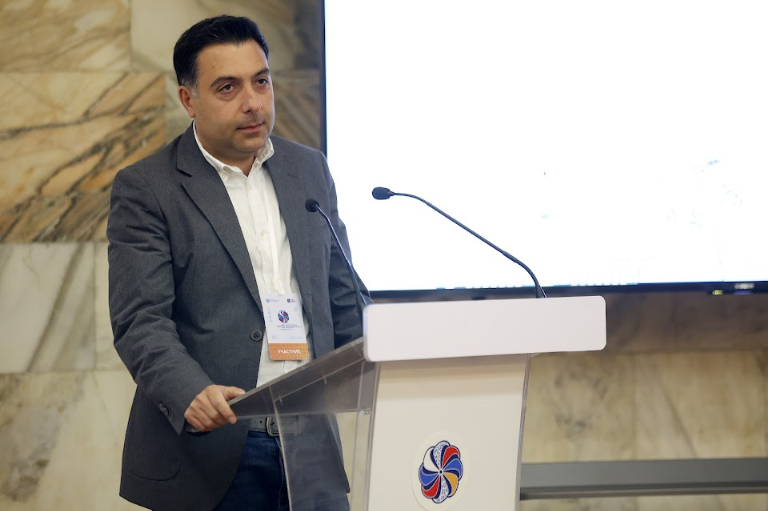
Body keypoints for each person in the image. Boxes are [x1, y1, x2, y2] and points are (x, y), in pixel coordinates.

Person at [107, 15, 368, 511]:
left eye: (261, 81)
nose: (253, 102)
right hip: (215, 445)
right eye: (228, 87)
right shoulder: (148, 188)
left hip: (311, 441)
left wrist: (391, 354)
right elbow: (140, 321)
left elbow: (342, 293)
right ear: (188, 100)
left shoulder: (309, 168)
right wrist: (190, 391)